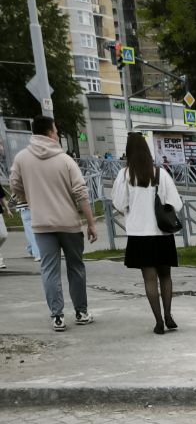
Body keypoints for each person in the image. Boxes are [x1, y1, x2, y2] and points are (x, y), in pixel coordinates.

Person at [9, 115, 97, 331]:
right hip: (69, 224)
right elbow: (80, 193)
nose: (57, 134)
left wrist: (30, 197)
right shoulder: (65, 160)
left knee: (49, 269)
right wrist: (91, 223)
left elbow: (15, 186)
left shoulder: (21, 159)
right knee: (75, 267)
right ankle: (81, 312)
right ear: (50, 132)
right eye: (56, 131)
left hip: (41, 224)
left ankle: (57, 316)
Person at [111, 131, 184, 334]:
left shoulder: (125, 175)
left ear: (128, 152)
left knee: (149, 279)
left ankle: (158, 321)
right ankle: (168, 314)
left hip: (139, 236)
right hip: (162, 234)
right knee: (166, 276)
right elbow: (176, 204)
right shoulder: (160, 173)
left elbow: (119, 203)